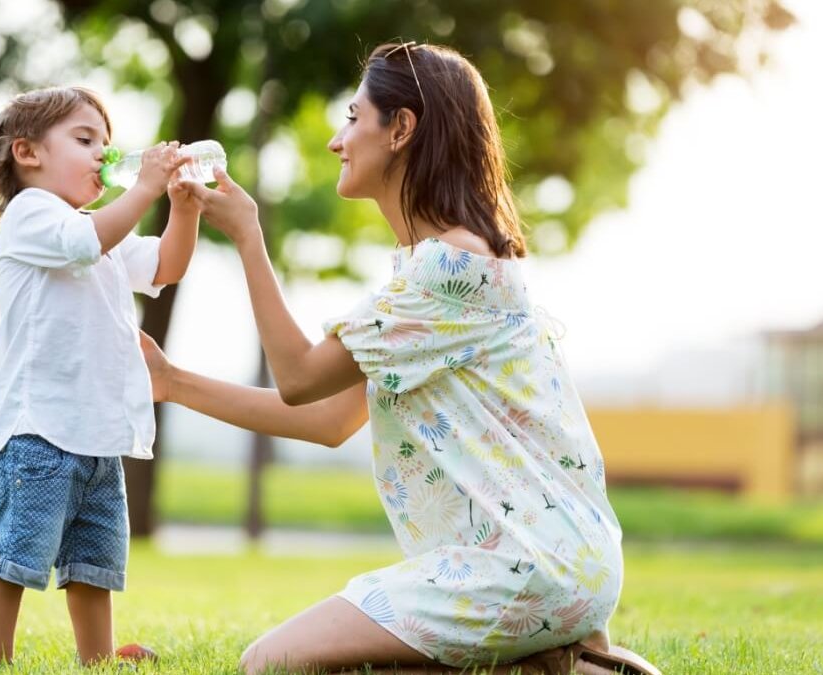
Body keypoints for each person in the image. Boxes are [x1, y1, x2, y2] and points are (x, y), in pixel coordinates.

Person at [150, 43, 660, 674]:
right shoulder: (443, 265)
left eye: (352, 117)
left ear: (401, 128)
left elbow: (299, 377)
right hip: (556, 561)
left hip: (520, 565)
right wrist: (170, 381)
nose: (337, 141)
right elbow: (328, 419)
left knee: (270, 663)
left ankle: (555, 664)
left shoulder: (447, 268)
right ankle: (563, 666)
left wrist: (248, 234)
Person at [0, 85, 197, 666]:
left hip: (96, 434)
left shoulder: (102, 232)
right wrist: (144, 187)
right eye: (84, 139)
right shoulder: (31, 215)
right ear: (28, 152)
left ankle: (95, 660)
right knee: (19, 554)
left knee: (94, 563)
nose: (104, 153)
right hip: (39, 430)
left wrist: (184, 207)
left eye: (106, 141)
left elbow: (166, 266)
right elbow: (85, 242)